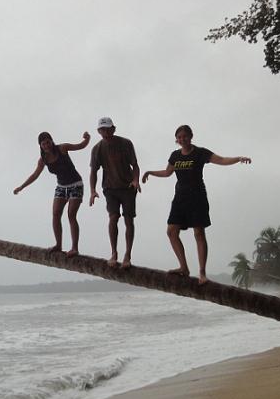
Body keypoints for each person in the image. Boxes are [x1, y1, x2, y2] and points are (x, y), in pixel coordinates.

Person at [142, 124, 251, 284]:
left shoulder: (200, 153)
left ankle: (202, 273)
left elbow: (220, 160)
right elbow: (167, 172)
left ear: (191, 136)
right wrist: (149, 172)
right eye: (179, 137)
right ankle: (183, 267)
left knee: (199, 233)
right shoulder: (175, 155)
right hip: (180, 198)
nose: (182, 139)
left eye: (185, 136)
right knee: (171, 231)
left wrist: (238, 158)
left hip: (197, 197)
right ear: (176, 140)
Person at [14, 131, 91, 256]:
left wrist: (87, 138)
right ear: (40, 145)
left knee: (71, 215)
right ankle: (58, 245)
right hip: (61, 187)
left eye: (48, 142)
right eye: (43, 144)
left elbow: (80, 146)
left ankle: (74, 248)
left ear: (52, 141)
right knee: (55, 214)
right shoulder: (43, 160)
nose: (46, 146)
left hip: (76, 184)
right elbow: (35, 175)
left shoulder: (62, 148)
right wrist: (22, 187)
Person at [89, 117, 141, 269]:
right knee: (113, 217)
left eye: (108, 129)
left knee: (128, 219)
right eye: (102, 129)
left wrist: (136, 180)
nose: (106, 132)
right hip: (110, 188)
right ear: (99, 131)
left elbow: (135, 165)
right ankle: (114, 253)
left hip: (128, 186)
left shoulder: (125, 143)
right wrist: (92, 190)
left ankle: (127, 255)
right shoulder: (97, 148)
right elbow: (93, 171)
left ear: (114, 129)